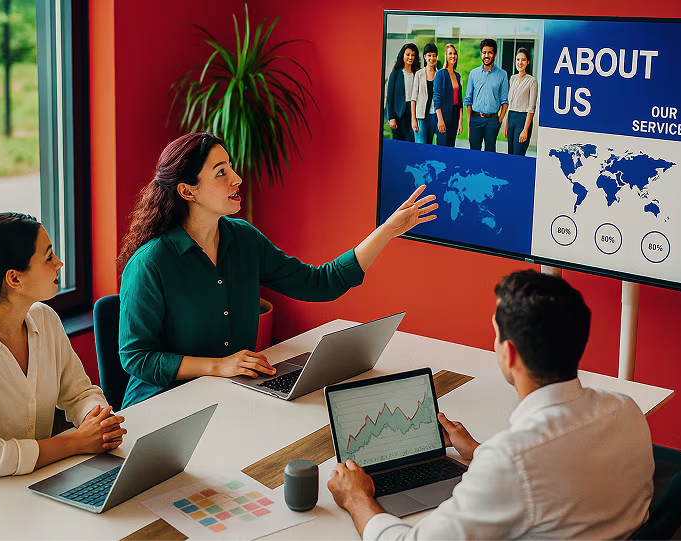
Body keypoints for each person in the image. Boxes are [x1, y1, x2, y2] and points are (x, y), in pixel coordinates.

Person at [116, 133, 438, 408]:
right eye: (220, 173)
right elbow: (136, 358)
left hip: (227, 398)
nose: (236, 178)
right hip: (161, 407)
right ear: (188, 191)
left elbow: (320, 283)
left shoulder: (243, 239)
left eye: (231, 167)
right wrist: (219, 366)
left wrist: (387, 231)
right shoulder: (150, 264)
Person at [328, 270, 655, 540]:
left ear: (509, 353)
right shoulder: (625, 410)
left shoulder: (511, 461)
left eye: (496, 334)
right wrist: (477, 451)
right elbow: (558, 469)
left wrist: (357, 498)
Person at [0, 213, 126, 489]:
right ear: (14, 278)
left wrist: (96, 421)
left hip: (32, 476)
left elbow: (78, 393)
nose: (59, 263)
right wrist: (77, 441)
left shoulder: (45, 319)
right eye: (48, 257)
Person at [464, 39, 509, 152]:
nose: (486, 55)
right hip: (475, 119)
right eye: (484, 52)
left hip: (492, 121)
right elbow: (468, 99)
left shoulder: (502, 74)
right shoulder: (473, 73)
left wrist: (499, 119)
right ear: (481, 54)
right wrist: (469, 122)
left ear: (495, 54)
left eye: (490, 52)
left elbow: (505, 100)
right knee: (474, 152)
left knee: (490, 153)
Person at [504, 48, 538, 156]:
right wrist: (507, 125)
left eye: (523, 60)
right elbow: (510, 104)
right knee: (510, 155)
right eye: (518, 60)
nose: (520, 62)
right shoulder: (512, 78)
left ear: (528, 62)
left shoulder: (532, 81)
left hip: (523, 120)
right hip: (511, 119)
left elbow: (531, 107)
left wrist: (525, 129)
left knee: (518, 155)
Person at [385, 43, 421, 143]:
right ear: (403, 55)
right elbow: (390, 97)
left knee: (411, 141)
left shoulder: (417, 73)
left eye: (413, 55)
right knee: (398, 142)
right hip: (398, 113)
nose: (410, 57)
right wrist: (391, 117)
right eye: (408, 54)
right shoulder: (396, 73)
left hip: (413, 112)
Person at [432, 43, 463, 147]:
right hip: (443, 116)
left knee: (451, 146)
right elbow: (437, 98)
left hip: (454, 116)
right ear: (446, 56)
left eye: (454, 53)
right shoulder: (440, 74)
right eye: (450, 53)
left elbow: (459, 101)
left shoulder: (457, 76)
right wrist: (440, 119)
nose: (453, 56)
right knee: (442, 147)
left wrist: (460, 121)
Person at [411, 43, 439, 145]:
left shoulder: (439, 74)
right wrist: (413, 119)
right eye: (429, 55)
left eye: (434, 55)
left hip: (434, 115)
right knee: (420, 144)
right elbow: (413, 98)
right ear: (425, 57)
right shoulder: (419, 74)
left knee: (430, 145)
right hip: (421, 116)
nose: (432, 58)